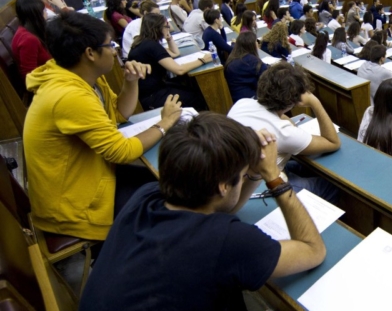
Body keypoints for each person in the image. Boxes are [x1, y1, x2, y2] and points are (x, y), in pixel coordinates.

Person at [79, 113, 326, 310]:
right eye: (241, 177)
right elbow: (313, 250)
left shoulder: (147, 195)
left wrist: (248, 167)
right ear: (222, 186)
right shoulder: (228, 241)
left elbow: (226, 207)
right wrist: (272, 176)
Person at [24, 11, 181, 242]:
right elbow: (121, 152)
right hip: (74, 204)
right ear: (90, 53)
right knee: (173, 197)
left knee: (167, 178)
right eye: (110, 45)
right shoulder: (68, 95)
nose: (115, 50)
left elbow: (119, 113)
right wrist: (164, 123)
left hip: (92, 173)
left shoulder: (84, 75)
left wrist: (131, 81)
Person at [227, 62, 340, 201]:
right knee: (333, 185)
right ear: (293, 101)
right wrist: (315, 103)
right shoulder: (283, 132)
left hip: (240, 175)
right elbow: (333, 142)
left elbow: (279, 118)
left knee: (302, 167)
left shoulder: (242, 103)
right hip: (266, 186)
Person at [128, 13, 211, 109]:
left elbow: (175, 53)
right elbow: (179, 70)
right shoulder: (151, 46)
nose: (168, 28)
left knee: (189, 88)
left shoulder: (143, 42)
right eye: (166, 26)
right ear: (158, 28)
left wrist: (169, 38)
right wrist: (203, 60)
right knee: (196, 98)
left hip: (151, 91)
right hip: (153, 95)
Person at [12, 0, 51, 79]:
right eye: (44, 11)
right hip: (46, 82)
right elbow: (29, 75)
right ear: (37, 16)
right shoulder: (28, 40)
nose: (47, 14)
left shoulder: (27, 30)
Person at [224, 32, 268, 102]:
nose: (258, 43)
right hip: (250, 99)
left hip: (237, 99)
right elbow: (267, 75)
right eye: (256, 41)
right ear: (251, 44)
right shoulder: (251, 60)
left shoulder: (234, 57)